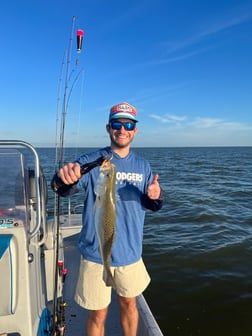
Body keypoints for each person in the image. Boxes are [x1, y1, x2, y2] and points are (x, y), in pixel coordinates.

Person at [52, 102, 164, 336]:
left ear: (135, 130)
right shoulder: (93, 161)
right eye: (117, 124)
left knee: (129, 304)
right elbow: (62, 188)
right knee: (99, 313)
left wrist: (155, 196)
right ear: (108, 127)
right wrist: (64, 178)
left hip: (130, 253)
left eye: (128, 124)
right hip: (95, 253)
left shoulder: (143, 166)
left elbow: (152, 205)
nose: (122, 129)